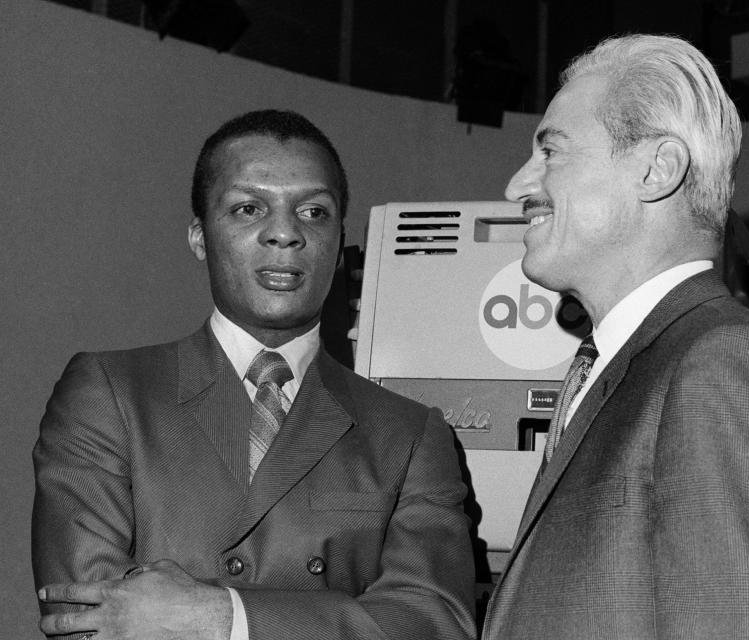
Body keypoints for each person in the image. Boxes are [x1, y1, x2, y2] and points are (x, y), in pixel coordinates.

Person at [33, 110, 475, 640]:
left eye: (314, 211)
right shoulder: (110, 393)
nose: (286, 233)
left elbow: (436, 622)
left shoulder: (409, 434)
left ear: (339, 246)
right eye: (249, 208)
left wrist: (225, 618)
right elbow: (89, 619)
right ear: (199, 236)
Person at [481, 35, 749, 639]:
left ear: (657, 169)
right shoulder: (628, 365)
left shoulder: (720, 372)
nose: (518, 185)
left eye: (551, 151)